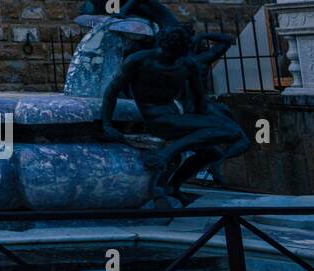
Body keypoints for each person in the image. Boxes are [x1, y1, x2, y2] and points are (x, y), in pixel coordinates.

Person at [101, 25, 249, 205]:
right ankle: (167, 154)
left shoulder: (186, 64)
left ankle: (169, 187)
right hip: (157, 120)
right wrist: (106, 124)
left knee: (211, 153)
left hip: (175, 117)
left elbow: (200, 100)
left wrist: (202, 125)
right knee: (231, 131)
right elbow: (111, 92)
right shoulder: (140, 61)